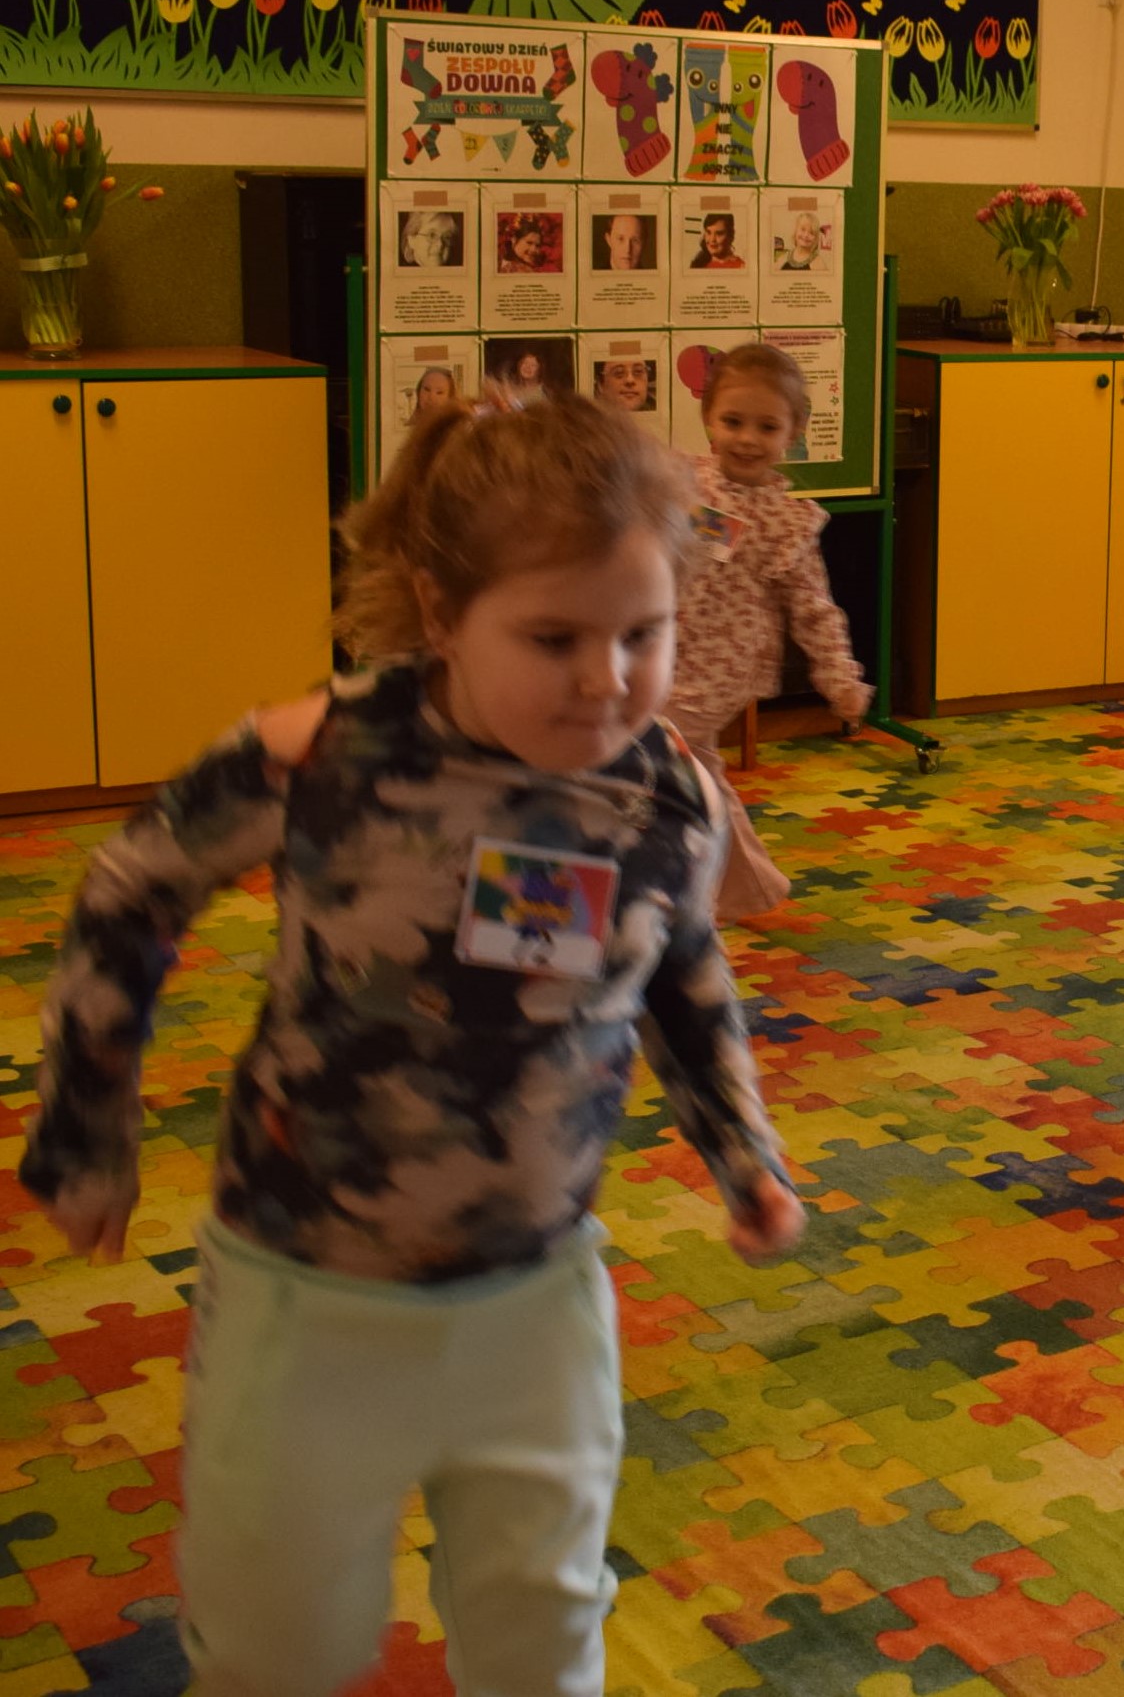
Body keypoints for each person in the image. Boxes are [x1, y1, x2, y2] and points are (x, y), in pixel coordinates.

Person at [18, 390, 805, 1694]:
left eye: (644, 633)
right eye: (553, 638)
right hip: (305, 1292)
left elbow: (680, 971)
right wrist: (85, 1130)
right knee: (279, 1642)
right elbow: (128, 891)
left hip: (537, 1295)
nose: (606, 678)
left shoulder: (666, 794)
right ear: (443, 614)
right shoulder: (321, 751)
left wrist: (744, 1153)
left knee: (542, 1633)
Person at [673, 342, 872, 920]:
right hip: (660, 652)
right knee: (696, 772)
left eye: (767, 427)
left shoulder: (786, 522)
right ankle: (748, 887)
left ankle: (694, 884)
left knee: (657, 756)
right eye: (733, 421)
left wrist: (840, 678)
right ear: (708, 416)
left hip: (717, 671)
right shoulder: (684, 480)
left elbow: (814, 608)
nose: (747, 439)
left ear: (794, 431)